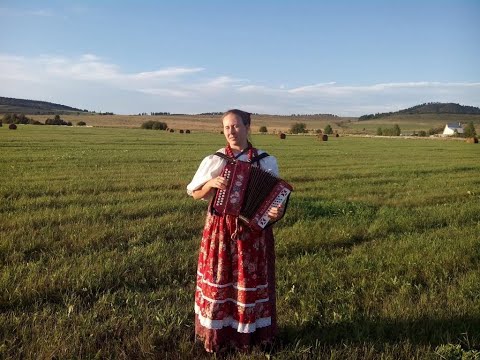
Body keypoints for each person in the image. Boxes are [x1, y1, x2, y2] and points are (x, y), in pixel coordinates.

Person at [187, 109, 285, 353]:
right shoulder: (216, 160)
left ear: (248, 126)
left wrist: (277, 213)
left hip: (253, 234)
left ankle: (251, 337)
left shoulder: (265, 161)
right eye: (227, 127)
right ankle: (217, 335)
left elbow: (275, 203)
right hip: (220, 231)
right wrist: (209, 184)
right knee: (221, 279)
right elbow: (195, 193)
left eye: (236, 126)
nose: (231, 132)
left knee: (248, 282)